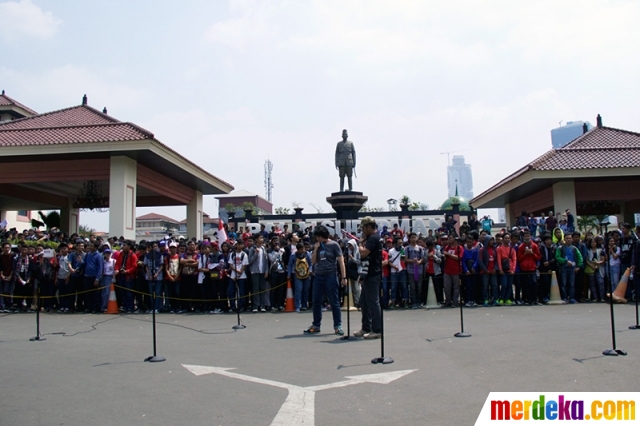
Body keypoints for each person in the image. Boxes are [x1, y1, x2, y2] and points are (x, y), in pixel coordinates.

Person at [304, 225, 346, 335]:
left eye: (318, 237)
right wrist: (316, 248)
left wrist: (343, 276)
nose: (317, 239)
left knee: (334, 301)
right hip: (318, 276)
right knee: (316, 301)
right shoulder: (317, 245)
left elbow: (341, 261)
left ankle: (338, 325)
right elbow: (313, 262)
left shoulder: (334, 245)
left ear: (323, 235)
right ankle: (316, 325)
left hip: (330, 275)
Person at [354, 217, 383, 339]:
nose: (363, 231)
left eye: (364, 228)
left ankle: (377, 330)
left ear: (369, 227)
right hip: (368, 273)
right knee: (364, 302)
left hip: (373, 274)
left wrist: (360, 244)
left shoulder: (373, 238)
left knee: (373, 302)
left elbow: (363, 253)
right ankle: (366, 327)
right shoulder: (373, 238)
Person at [555, 234, 583, 303]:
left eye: (570, 238)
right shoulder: (560, 248)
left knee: (572, 284)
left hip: (572, 269)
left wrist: (578, 266)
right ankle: (564, 297)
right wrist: (565, 261)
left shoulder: (574, 248)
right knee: (563, 284)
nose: (568, 240)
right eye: (567, 238)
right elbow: (557, 257)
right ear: (564, 239)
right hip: (563, 268)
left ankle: (571, 298)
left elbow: (580, 258)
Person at [288, 242, 312, 312]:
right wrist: (289, 274)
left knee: (305, 290)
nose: (303, 250)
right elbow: (290, 265)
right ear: (298, 250)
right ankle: (297, 306)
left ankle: (304, 305)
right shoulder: (293, 255)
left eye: (303, 249)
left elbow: (311, 263)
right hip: (297, 275)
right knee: (298, 290)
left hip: (306, 275)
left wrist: (310, 270)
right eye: (301, 249)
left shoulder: (307, 254)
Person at [442, 235, 464, 307]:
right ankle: (448, 301)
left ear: (455, 239)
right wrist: (444, 257)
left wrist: (448, 254)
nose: (449, 239)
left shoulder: (459, 248)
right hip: (447, 270)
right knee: (447, 287)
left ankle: (455, 301)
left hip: (456, 270)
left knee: (456, 287)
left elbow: (458, 258)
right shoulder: (446, 247)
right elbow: (445, 258)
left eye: (451, 238)